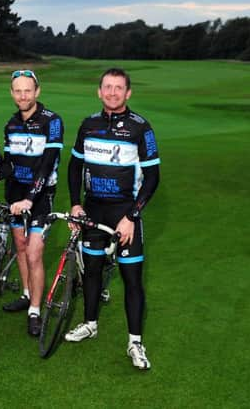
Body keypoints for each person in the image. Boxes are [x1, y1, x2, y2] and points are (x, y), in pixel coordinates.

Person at [65, 68, 160, 370]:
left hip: (124, 215)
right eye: (108, 87)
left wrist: (133, 215)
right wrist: (76, 204)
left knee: (132, 280)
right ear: (99, 91)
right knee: (91, 271)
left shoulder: (140, 128)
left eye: (119, 88)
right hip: (93, 211)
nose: (113, 92)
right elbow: (74, 166)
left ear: (128, 93)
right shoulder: (88, 124)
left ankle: (135, 342)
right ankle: (90, 323)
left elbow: (153, 176)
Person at [0, 69, 64, 337]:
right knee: (20, 247)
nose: (23, 95)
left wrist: (30, 198)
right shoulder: (11, 124)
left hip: (40, 197)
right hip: (15, 196)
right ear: (12, 93)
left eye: (27, 90)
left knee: (34, 252)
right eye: (18, 91)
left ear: (37, 91)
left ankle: (35, 309)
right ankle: (26, 293)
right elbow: (9, 163)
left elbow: (47, 165)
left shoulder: (52, 121)